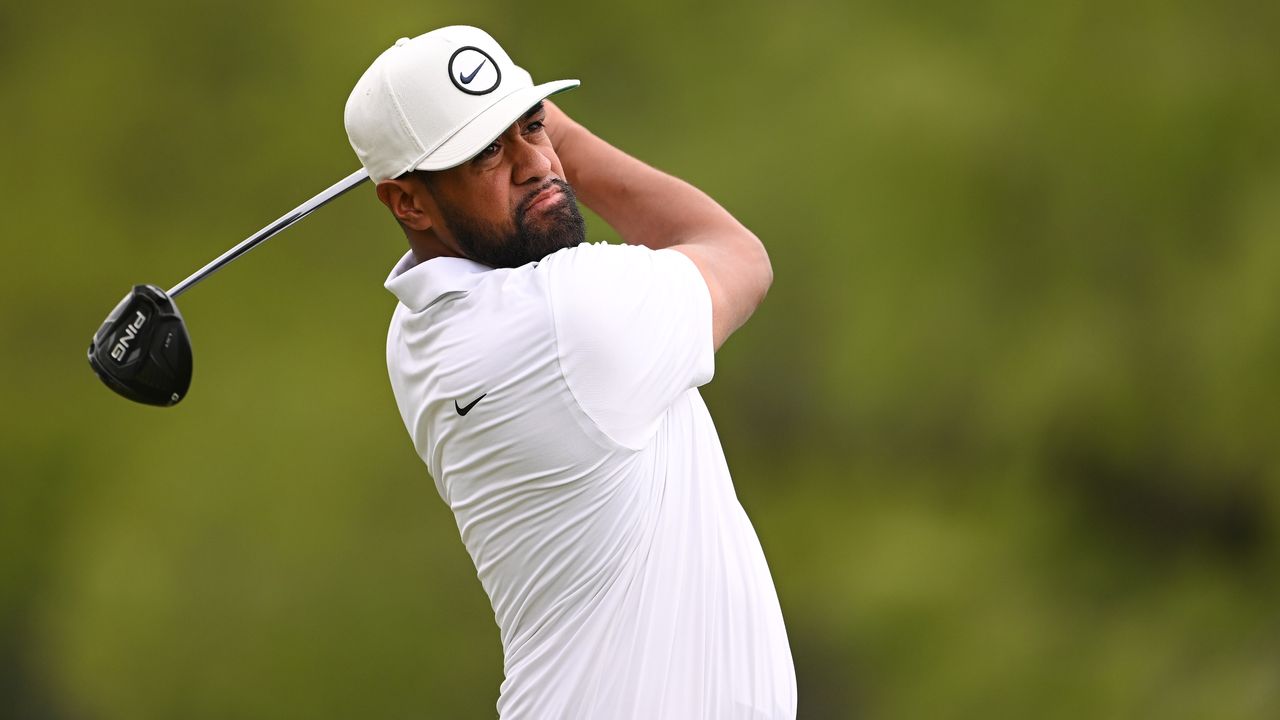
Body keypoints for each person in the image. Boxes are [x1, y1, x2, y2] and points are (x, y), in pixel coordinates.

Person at [344, 26, 796, 719]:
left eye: (532, 128)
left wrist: (502, 124)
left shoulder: (414, 336)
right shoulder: (571, 315)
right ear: (407, 202)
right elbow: (738, 254)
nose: (536, 164)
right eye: (489, 151)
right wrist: (558, 129)